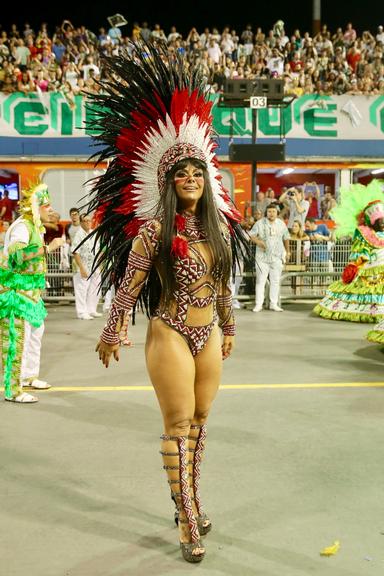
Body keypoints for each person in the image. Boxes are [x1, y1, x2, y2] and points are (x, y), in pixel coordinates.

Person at [82, 39, 249, 564]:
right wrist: (112, 329)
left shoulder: (217, 230)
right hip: (171, 331)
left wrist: (228, 326)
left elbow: (222, 285)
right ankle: (188, 520)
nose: (193, 179)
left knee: (200, 422)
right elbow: (129, 285)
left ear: (208, 179)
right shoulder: (154, 229)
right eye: (183, 174)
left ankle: (187, 499)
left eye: (199, 172)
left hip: (209, 333)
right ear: (169, 182)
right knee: (178, 426)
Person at [0, 182, 64, 403]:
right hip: (17, 293)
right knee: (17, 339)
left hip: (32, 294)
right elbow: (17, 255)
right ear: (35, 208)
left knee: (35, 334)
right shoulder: (22, 227)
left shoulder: (35, 226)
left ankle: (28, 376)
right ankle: (12, 390)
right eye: (47, 205)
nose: (51, 209)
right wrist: (48, 248)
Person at [314, 180, 384, 322]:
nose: (383, 224)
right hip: (371, 266)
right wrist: (355, 266)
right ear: (373, 221)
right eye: (380, 221)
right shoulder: (364, 232)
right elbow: (360, 252)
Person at [249, 203, 290, 312]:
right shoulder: (259, 223)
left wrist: (288, 251)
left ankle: (273, 303)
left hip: (277, 256)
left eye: (273, 211)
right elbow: (251, 235)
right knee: (260, 281)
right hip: (262, 257)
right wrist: (258, 242)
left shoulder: (281, 224)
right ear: (266, 213)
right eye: (269, 211)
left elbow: (286, 238)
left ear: (277, 213)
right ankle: (258, 304)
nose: (271, 214)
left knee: (275, 281)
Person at [72, 214, 102, 320]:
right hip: (82, 265)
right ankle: (81, 312)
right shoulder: (79, 234)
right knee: (82, 289)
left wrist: (100, 264)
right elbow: (75, 252)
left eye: (89, 220)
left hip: (94, 265)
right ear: (81, 223)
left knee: (95, 287)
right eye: (85, 221)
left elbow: (98, 250)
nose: (88, 223)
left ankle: (91, 309)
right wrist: (81, 268)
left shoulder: (93, 233)